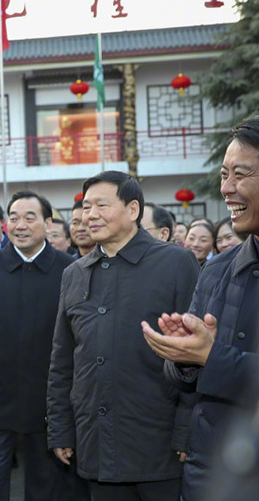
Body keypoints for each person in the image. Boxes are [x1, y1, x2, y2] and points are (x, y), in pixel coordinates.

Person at [47, 170, 200, 501]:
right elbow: (63, 359)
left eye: (101, 205)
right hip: (97, 440)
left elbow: (196, 355)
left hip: (158, 441)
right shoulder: (74, 273)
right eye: (86, 207)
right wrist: (60, 428)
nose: (90, 215)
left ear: (133, 210)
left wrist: (186, 431)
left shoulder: (176, 263)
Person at [141, 117, 259, 501]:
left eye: (240, 175)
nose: (227, 188)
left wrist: (212, 355)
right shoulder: (218, 268)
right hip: (213, 468)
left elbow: (218, 359)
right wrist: (185, 356)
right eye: (224, 174)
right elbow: (184, 378)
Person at [0, 190, 80, 501]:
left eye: (30, 217)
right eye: (14, 218)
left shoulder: (69, 269)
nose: (20, 225)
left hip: (48, 399)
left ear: (48, 223)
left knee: (44, 479)